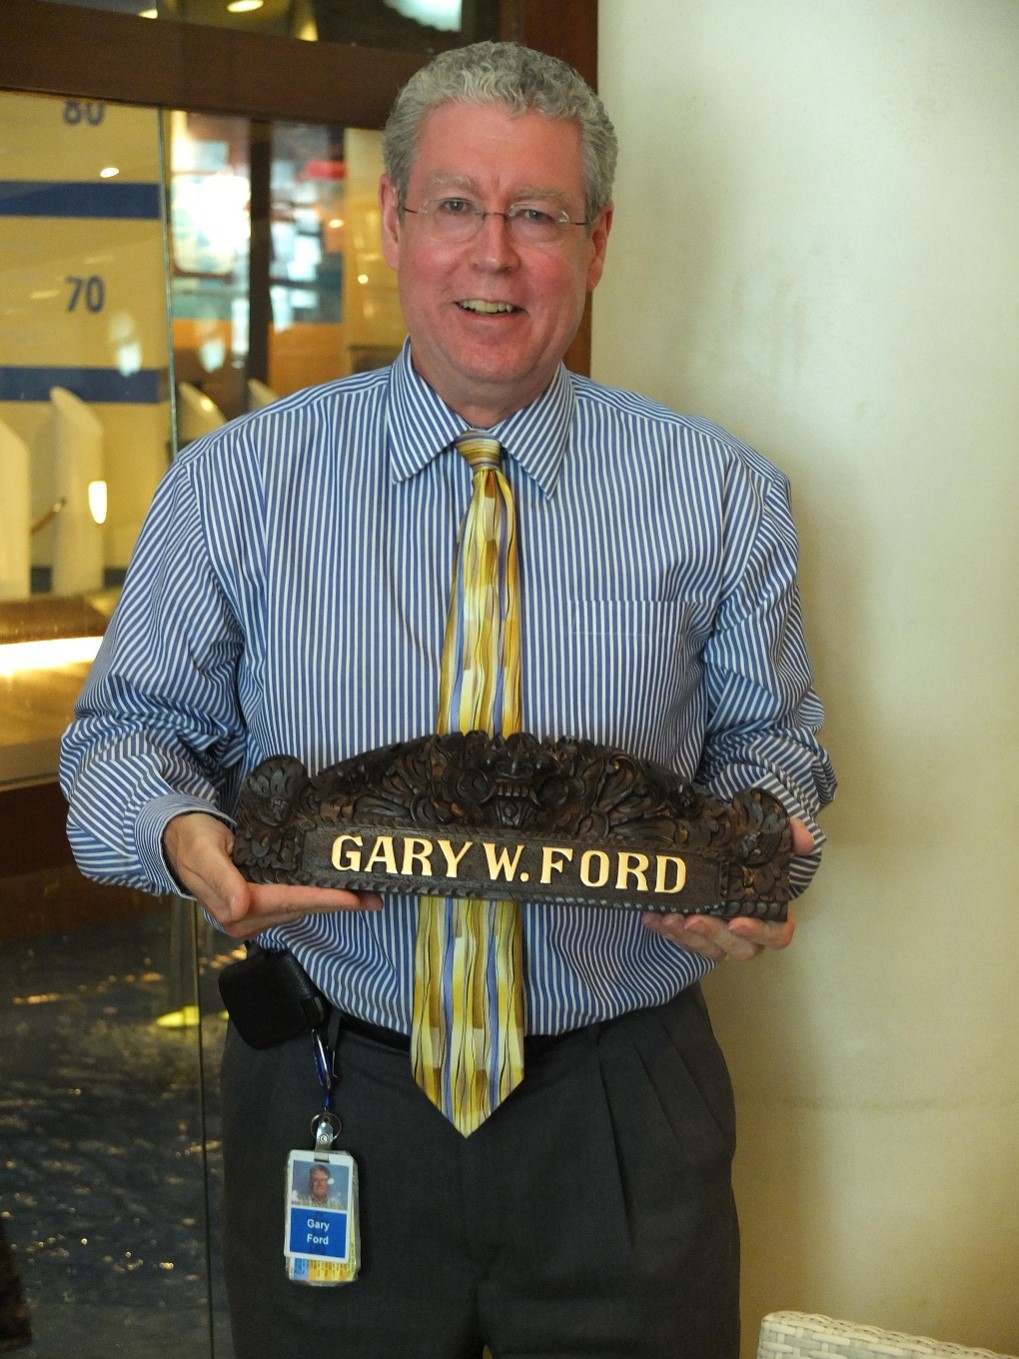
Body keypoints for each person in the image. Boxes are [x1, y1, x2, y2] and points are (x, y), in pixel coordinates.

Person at [60, 40, 835, 1359]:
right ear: (394, 222)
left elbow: (775, 738)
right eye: (459, 208)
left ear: (594, 242)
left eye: (536, 215)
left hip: (619, 1105)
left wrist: (753, 848)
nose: (495, 257)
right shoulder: (236, 484)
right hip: (329, 1085)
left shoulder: (718, 492)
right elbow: (123, 730)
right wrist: (187, 843)